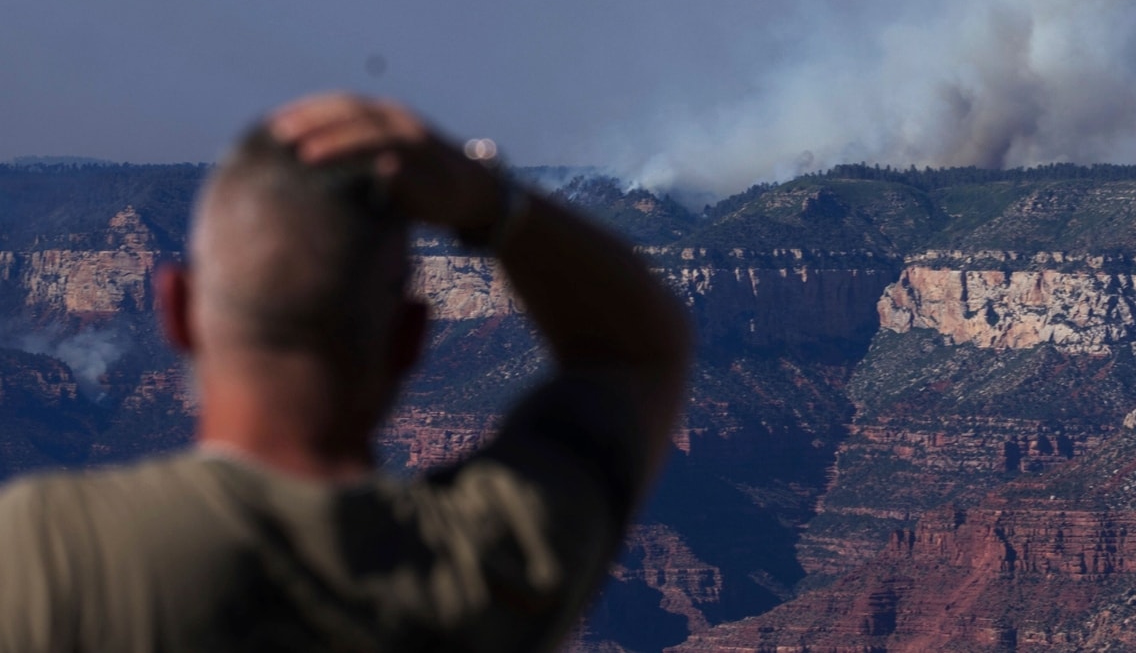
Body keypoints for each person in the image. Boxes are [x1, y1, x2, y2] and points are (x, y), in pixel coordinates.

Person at [0, 93, 692, 652]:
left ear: (175, 310)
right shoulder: (484, 566)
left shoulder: (43, 549)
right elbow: (638, 350)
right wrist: (487, 201)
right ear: (411, 338)